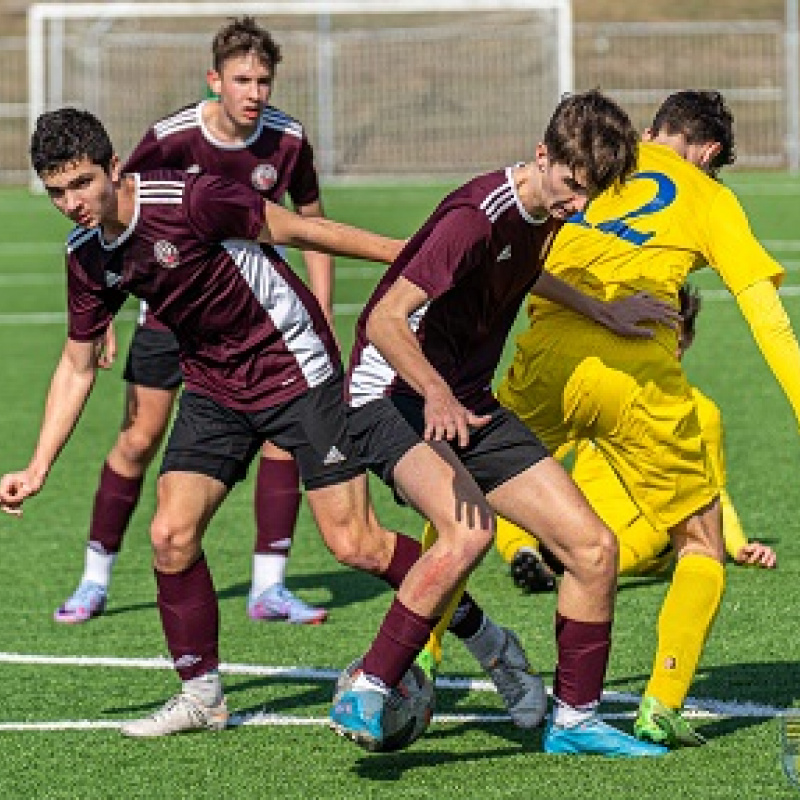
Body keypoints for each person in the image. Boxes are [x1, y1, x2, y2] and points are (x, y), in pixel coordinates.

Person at [5, 107, 545, 740]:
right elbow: (76, 366)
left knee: (357, 546)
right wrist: (39, 465)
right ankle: (202, 696)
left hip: (297, 372)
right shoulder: (86, 256)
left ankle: (497, 650)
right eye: (57, 191)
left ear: (114, 168)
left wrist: (415, 264)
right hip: (212, 388)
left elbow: (301, 230)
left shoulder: (190, 198)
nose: (72, 202)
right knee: (171, 536)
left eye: (82, 184)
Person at [329, 89, 669, 757]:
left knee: (594, 550)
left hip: (461, 399)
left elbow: (527, 271)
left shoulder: (546, 214)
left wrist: (605, 311)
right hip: (389, 393)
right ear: (542, 156)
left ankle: (574, 722)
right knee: (468, 531)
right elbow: (385, 320)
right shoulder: (473, 217)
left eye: (590, 195)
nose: (579, 205)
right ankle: (369, 685)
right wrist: (434, 392)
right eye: (572, 186)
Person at [491, 90, 800, 747]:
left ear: (655, 128)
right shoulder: (710, 197)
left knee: (463, 501)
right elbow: (766, 319)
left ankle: (418, 661)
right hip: (637, 381)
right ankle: (661, 702)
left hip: (546, 360)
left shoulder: (595, 164)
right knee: (700, 543)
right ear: (708, 151)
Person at [54, 17, 333, 627]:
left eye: (265, 79)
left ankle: (270, 585)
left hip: (255, 317)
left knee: (282, 441)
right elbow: (117, 218)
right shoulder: (173, 137)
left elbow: (310, 221)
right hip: (168, 315)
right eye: (242, 79)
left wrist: (323, 308)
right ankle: (94, 576)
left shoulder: (288, 139)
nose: (255, 92)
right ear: (215, 81)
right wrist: (99, 318)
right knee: (138, 438)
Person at [498, 283, 777, 591]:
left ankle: (587, 566)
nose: (660, 344)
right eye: (649, 333)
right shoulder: (601, 392)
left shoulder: (702, 412)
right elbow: (530, 455)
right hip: (581, 515)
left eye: (671, 335)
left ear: (687, 340)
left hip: (645, 522)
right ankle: (523, 553)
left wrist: (738, 545)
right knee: (512, 484)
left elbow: (712, 492)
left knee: (670, 523)